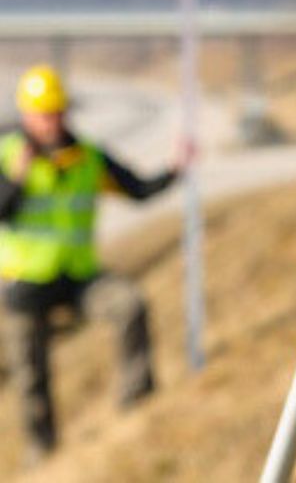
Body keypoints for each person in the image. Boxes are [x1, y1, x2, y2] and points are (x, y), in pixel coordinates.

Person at [0, 65, 182, 464]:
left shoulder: (88, 157)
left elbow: (138, 189)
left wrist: (175, 169)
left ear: (65, 112)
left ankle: (137, 405)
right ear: (26, 116)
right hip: (25, 284)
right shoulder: (7, 155)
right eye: (40, 113)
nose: (48, 122)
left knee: (129, 304)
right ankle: (42, 452)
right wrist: (16, 180)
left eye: (54, 112)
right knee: (30, 374)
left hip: (80, 277)